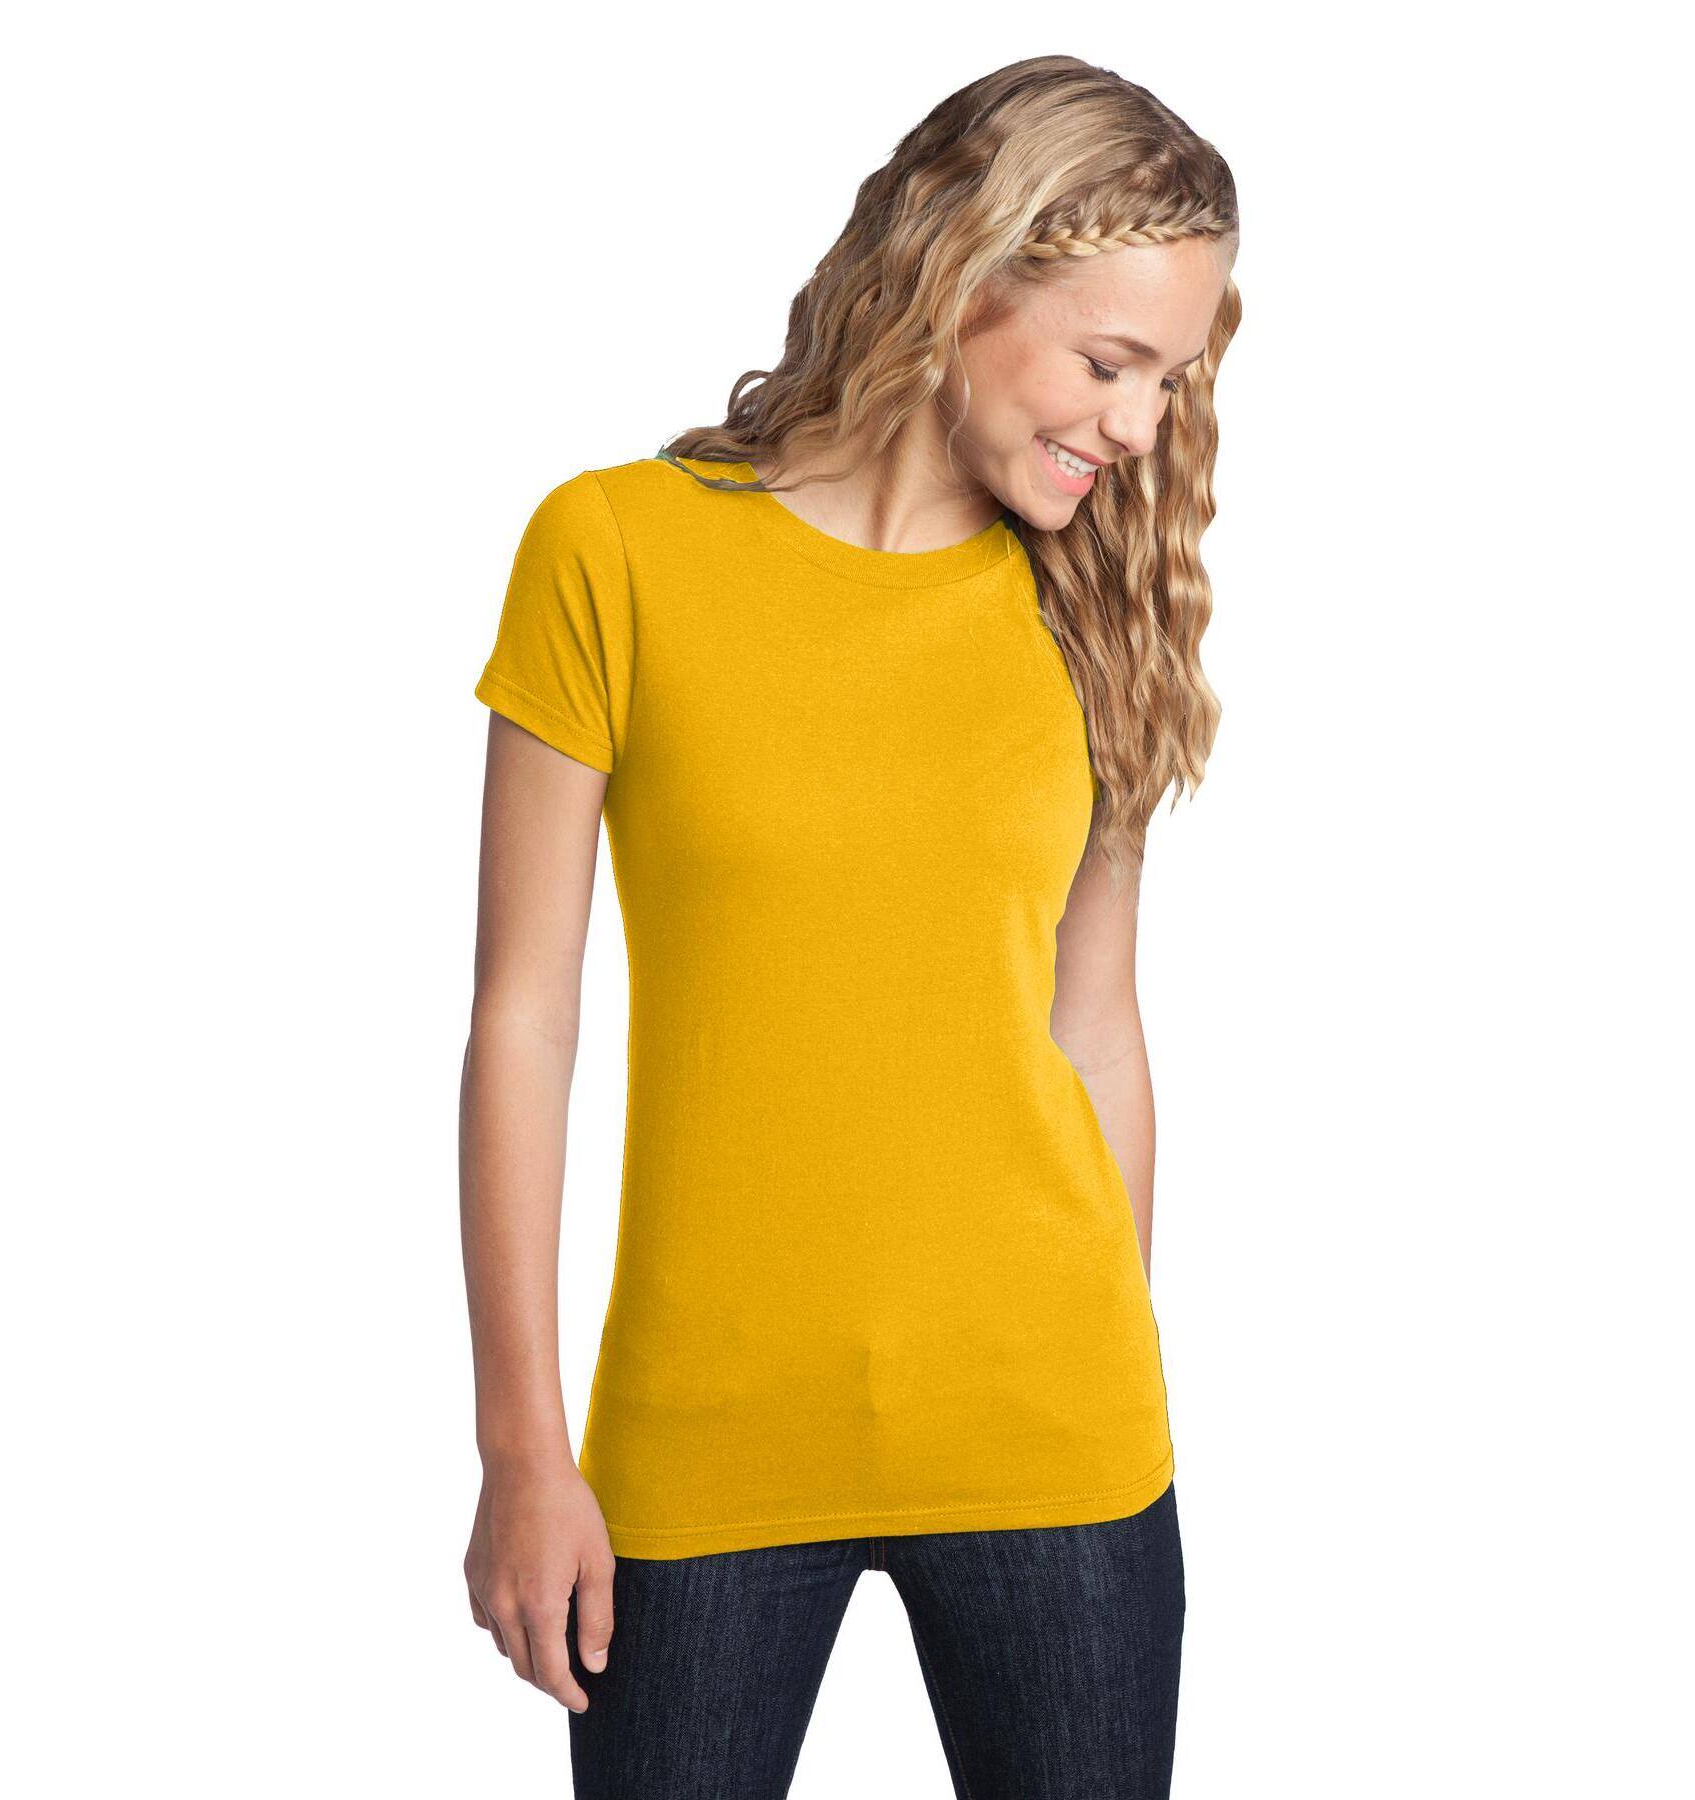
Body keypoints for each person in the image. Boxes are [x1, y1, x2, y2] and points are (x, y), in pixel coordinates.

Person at [459, 52, 1241, 1799]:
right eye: (1109, 364)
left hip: (1058, 1438)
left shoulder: (1095, 610)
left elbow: (1095, 1030)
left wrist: (1104, 1356)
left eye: (1169, 381)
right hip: (702, 1443)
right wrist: (522, 1446)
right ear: (963, 273)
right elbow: (525, 1019)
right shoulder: (615, 552)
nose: (1138, 426)